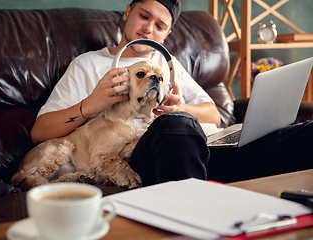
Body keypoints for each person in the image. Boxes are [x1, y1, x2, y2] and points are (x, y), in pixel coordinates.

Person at [31, 0, 221, 186]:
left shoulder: (169, 65)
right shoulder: (87, 64)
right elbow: (39, 133)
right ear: (127, 12)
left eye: (160, 26)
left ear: (167, 35)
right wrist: (89, 105)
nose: (148, 28)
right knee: (176, 124)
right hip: (130, 157)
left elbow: (214, 116)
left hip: (176, 149)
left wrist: (180, 107)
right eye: (144, 16)